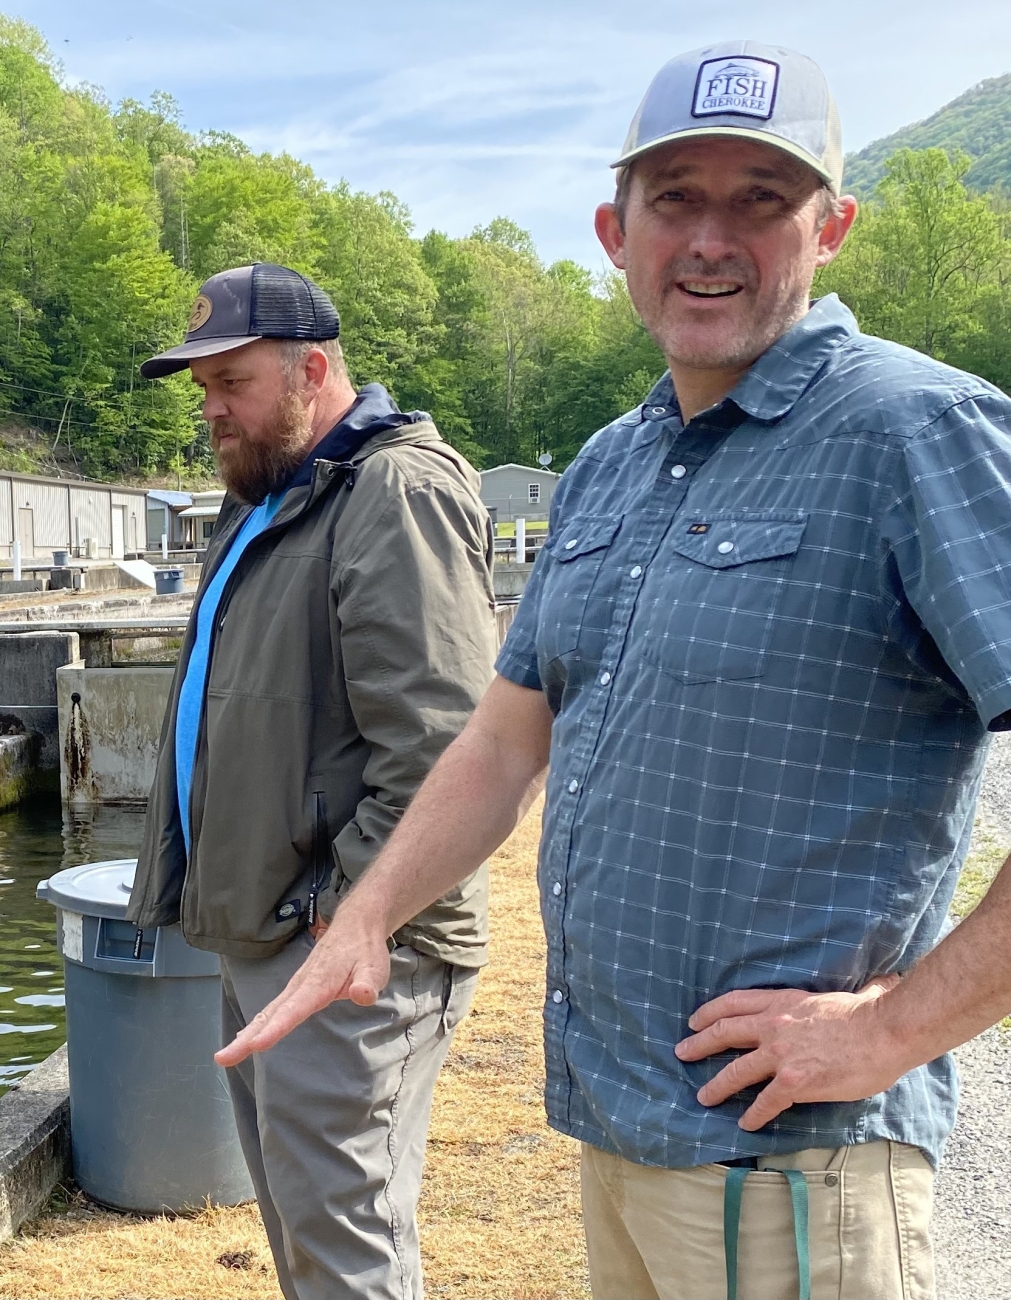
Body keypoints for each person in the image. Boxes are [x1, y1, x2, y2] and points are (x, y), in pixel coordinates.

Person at [218, 44, 1011, 1300]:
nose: (711, 239)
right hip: (619, 1133)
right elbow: (503, 743)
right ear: (615, 232)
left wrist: (890, 1030)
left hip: (792, 1168)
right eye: (675, 199)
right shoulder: (609, 463)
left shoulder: (918, 430)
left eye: (762, 199)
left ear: (832, 229)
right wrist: (364, 916)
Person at [127, 262, 496, 1300]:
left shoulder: (394, 491)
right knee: (307, 1239)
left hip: (349, 950)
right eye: (203, 389)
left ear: (313, 372)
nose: (212, 410)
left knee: (344, 1253)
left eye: (232, 383)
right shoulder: (271, 497)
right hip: (273, 934)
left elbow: (442, 745)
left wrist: (340, 914)